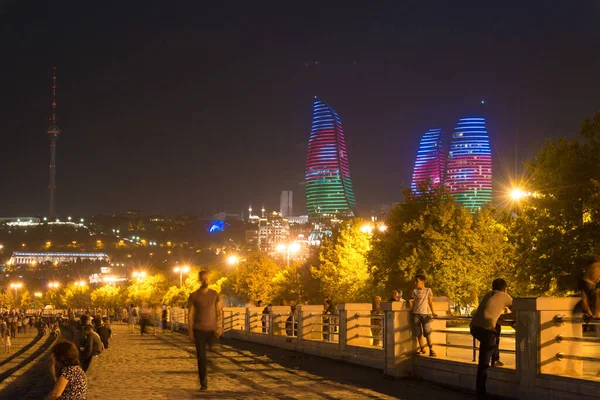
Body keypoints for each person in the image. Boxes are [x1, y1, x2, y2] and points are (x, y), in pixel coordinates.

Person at [470, 278, 513, 400]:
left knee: (496, 328)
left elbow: (490, 314)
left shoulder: (487, 295)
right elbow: (518, 311)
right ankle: (480, 393)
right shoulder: (505, 296)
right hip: (486, 330)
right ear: (505, 288)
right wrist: (514, 323)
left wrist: (501, 318)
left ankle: (495, 358)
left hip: (474, 328)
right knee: (483, 364)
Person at [188, 270, 222, 391]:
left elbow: (219, 311)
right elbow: (190, 314)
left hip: (212, 330)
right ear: (199, 280)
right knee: (201, 358)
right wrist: (190, 331)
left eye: (207, 278)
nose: (205, 280)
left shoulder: (214, 294)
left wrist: (220, 326)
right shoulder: (193, 296)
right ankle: (203, 383)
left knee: (213, 354)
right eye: (203, 278)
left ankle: (211, 366)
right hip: (199, 330)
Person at [410, 275, 437, 357]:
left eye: (417, 281)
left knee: (427, 332)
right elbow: (411, 300)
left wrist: (433, 312)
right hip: (416, 314)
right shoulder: (414, 291)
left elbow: (430, 302)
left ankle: (431, 349)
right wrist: (411, 309)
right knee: (418, 333)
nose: (415, 283)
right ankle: (422, 348)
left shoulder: (428, 290)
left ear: (422, 282)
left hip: (425, 314)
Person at [577, 254, 600, 333]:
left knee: (587, 298)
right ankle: (596, 314)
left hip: (583, 282)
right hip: (589, 284)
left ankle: (591, 314)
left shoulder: (591, 268)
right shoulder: (598, 265)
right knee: (597, 294)